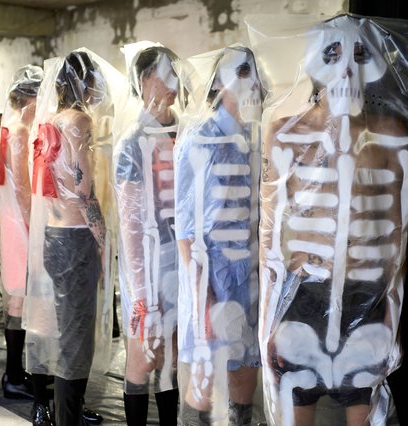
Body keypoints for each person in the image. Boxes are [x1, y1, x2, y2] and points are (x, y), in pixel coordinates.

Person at [255, 14, 408, 426]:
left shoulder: (393, 138)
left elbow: (398, 240)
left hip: (367, 299)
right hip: (302, 301)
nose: (346, 69)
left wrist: (392, 324)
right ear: (314, 64)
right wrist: (267, 322)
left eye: (358, 55)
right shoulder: (286, 134)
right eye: (333, 54)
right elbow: (270, 236)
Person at [174, 45, 265, 425]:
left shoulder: (253, 139)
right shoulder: (200, 139)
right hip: (212, 274)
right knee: (207, 366)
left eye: (254, 74)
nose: (253, 84)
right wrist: (202, 292)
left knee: (245, 360)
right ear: (220, 82)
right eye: (242, 74)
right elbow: (184, 224)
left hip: (249, 274)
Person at [24, 50, 111, 426]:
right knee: (77, 342)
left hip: (53, 236)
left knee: (66, 335)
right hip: (76, 238)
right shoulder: (78, 121)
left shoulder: (49, 121)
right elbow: (84, 187)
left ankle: (64, 415)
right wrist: (104, 238)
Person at [114, 44, 182, 425]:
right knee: (144, 354)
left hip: (181, 262)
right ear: (144, 81)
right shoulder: (132, 141)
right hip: (149, 270)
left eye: (176, 73)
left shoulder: (184, 130)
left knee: (171, 355)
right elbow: (130, 226)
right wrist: (140, 294)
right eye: (165, 73)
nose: (173, 83)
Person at [0, 64, 43, 400]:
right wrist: (37, 225)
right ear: (28, 97)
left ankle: (16, 371)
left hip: (11, 222)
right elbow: (24, 188)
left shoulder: (8, 126)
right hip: (21, 225)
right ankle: (13, 374)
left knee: (18, 299)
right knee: (21, 301)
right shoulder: (21, 130)